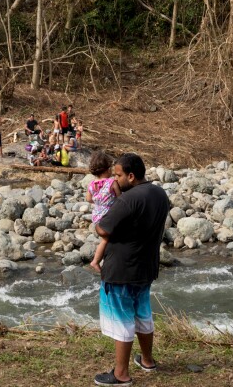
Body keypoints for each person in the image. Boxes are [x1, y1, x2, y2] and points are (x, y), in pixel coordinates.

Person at [93, 153, 170, 387]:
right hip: (146, 265)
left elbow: (103, 230)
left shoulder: (129, 199)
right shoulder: (159, 193)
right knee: (142, 314)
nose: (115, 180)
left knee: (122, 319)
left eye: (117, 175)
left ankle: (121, 374)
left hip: (122, 267)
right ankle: (147, 360)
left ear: (131, 175)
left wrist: (98, 220)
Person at [86, 152, 121, 273]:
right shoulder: (112, 183)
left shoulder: (91, 184)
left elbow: (89, 199)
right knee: (106, 240)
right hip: (108, 216)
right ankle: (95, 261)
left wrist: (99, 202)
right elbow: (120, 197)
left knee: (107, 238)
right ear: (107, 169)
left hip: (96, 217)